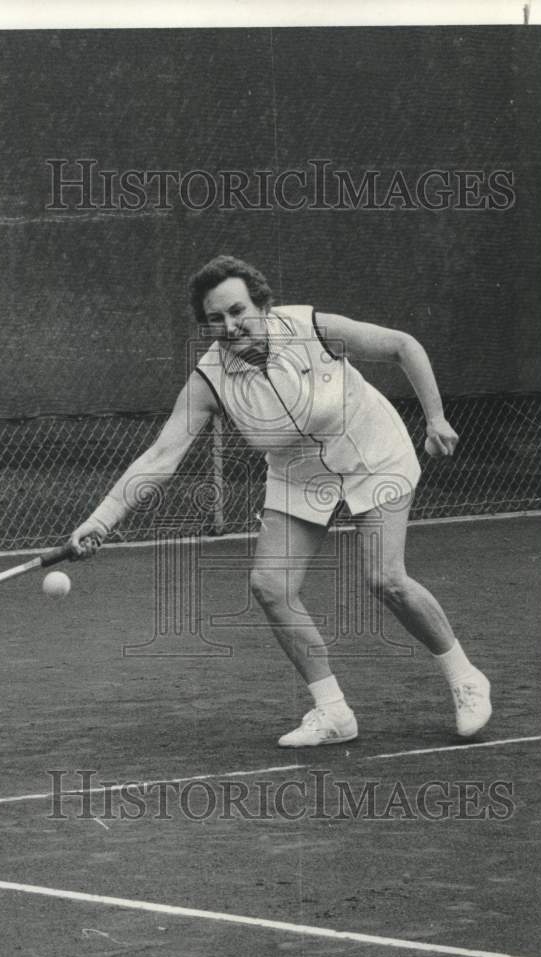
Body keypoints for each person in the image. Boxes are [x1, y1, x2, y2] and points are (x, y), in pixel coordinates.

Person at [70, 255, 491, 747]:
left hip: (373, 452)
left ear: (262, 305)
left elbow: (402, 346)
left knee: (385, 579)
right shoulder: (210, 380)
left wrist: (435, 417)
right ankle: (333, 712)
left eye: (237, 310)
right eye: (215, 319)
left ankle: (465, 678)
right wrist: (101, 520)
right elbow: (161, 455)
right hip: (299, 473)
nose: (230, 326)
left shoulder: (313, 328)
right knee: (270, 584)